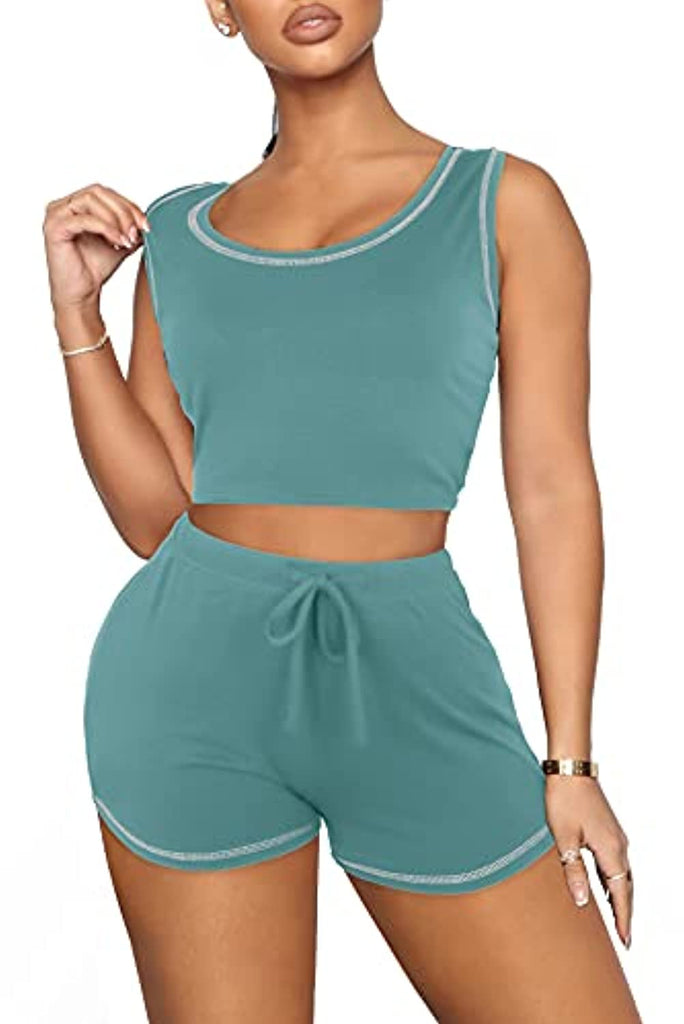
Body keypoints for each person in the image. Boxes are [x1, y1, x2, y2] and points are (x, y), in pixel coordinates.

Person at [43, 1, 642, 1020]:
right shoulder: (180, 235)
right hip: (190, 693)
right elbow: (156, 519)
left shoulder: (502, 202)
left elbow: (551, 486)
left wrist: (572, 760)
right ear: (222, 10)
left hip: (417, 685)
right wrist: (76, 315)